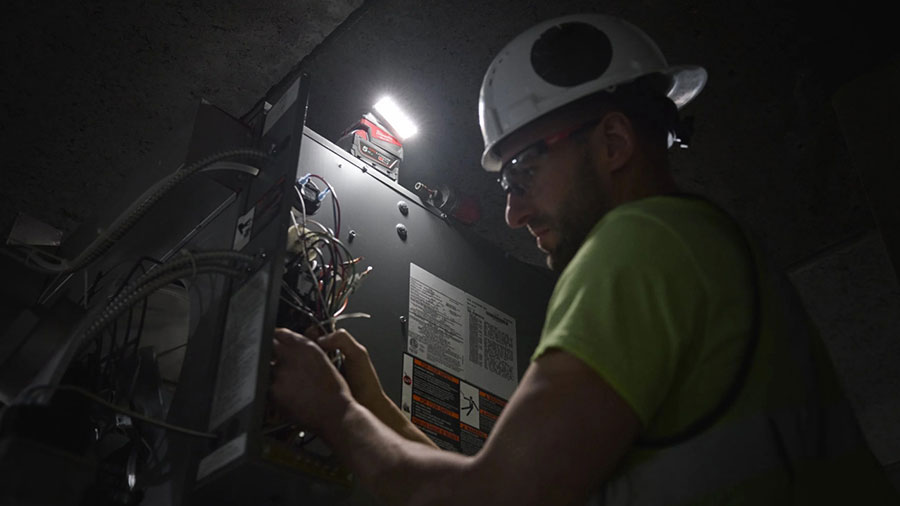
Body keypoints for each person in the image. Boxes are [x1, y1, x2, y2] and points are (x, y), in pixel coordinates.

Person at [271, 14, 898, 505]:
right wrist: (366, 405)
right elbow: (494, 484)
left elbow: (490, 500)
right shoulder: (704, 251)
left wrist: (334, 414)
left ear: (614, 142)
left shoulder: (640, 244)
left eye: (522, 173)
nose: (512, 213)